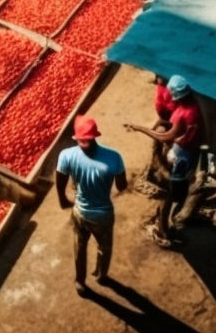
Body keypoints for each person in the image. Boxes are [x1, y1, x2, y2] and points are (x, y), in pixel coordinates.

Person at [125, 75, 205, 248]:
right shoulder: (194, 105)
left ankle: (165, 226)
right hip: (191, 148)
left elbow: (164, 137)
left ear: (177, 97)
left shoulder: (182, 114)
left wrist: (139, 128)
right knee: (183, 178)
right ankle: (178, 196)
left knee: (170, 189)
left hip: (183, 153)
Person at [55, 115, 128, 296]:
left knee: (79, 247)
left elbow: (60, 179)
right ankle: (101, 275)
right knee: (104, 247)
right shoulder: (113, 158)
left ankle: (80, 281)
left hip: (80, 212)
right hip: (103, 215)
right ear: (95, 136)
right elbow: (121, 186)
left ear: (77, 138)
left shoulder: (66, 156)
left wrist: (63, 199)